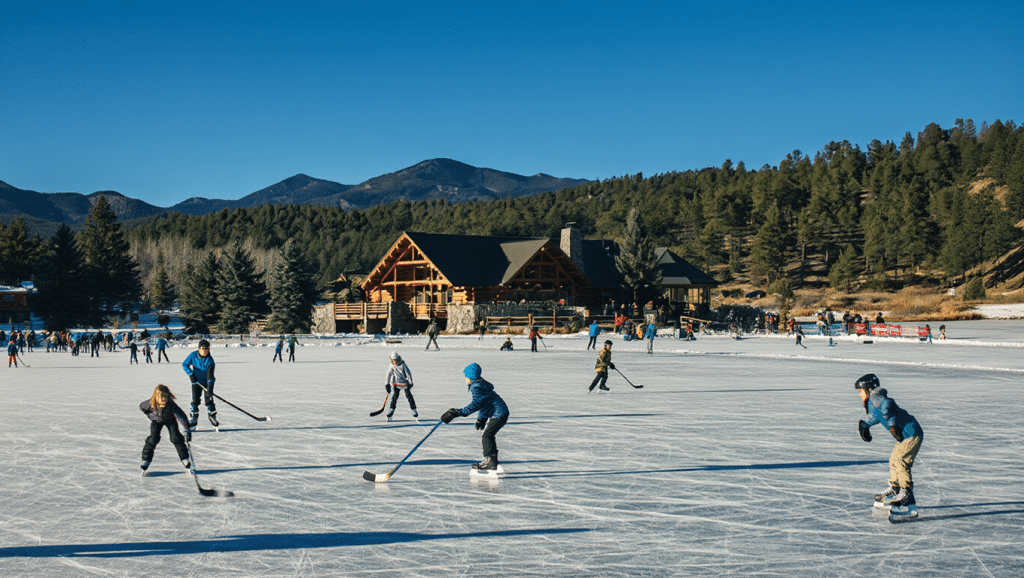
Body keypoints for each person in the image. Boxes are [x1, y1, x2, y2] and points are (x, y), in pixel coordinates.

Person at [855, 373, 923, 518]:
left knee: (901, 461)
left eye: (860, 391)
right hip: (905, 435)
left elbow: (887, 405)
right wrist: (865, 425)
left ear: (867, 389)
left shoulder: (877, 398)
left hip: (912, 433)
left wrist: (892, 424)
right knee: (894, 460)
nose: (859, 395)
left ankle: (907, 494)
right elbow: (876, 416)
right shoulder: (873, 402)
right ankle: (895, 488)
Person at [440, 363, 510, 471]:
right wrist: (482, 418)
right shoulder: (480, 384)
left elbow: (477, 404)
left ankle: (490, 461)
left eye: (466, 377)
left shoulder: (476, 387)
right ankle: (491, 459)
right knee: (488, 435)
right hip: (500, 412)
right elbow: (485, 403)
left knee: (487, 435)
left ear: (471, 377)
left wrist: (458, 412)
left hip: (499, 414)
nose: (465, 379)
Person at [139, 384, 193, 474]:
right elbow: (142, 406)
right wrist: (150, 415)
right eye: (160, 397)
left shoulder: (171, 405)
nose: (163, 399)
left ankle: (185, 458)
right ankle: (146, 460)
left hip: (170, 421)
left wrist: (187, 428)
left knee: (176, 438)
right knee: (153, 438)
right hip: (156, 421)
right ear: (155, 397)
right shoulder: (150, 403)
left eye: (165, 396)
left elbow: (181, 416)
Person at [182, 339, 218, 428]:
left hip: (208, 381)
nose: (205, 351)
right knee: (195, 400)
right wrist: (191, 375)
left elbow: (210, 375)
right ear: (199, 348)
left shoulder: (210, 360)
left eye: (207, 349)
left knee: (209, 400)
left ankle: (212, 416)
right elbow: (185, 364)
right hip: (196, 381)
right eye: (203, 348)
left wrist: (209, 388)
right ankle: (194, 418)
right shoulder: (193, 355)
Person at [384, 351, 417, 421]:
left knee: (409, 396)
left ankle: (413, 409)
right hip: (396, 384)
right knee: (394, 397)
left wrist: (410, 382)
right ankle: (391, 410)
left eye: (395, 360)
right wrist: (387, 384)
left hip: (404, 383)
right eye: (393, 360)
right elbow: (388, 375)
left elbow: (408, 373)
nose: (394, 362)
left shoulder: (402, 364)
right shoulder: (391, 366)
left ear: (398, 359)